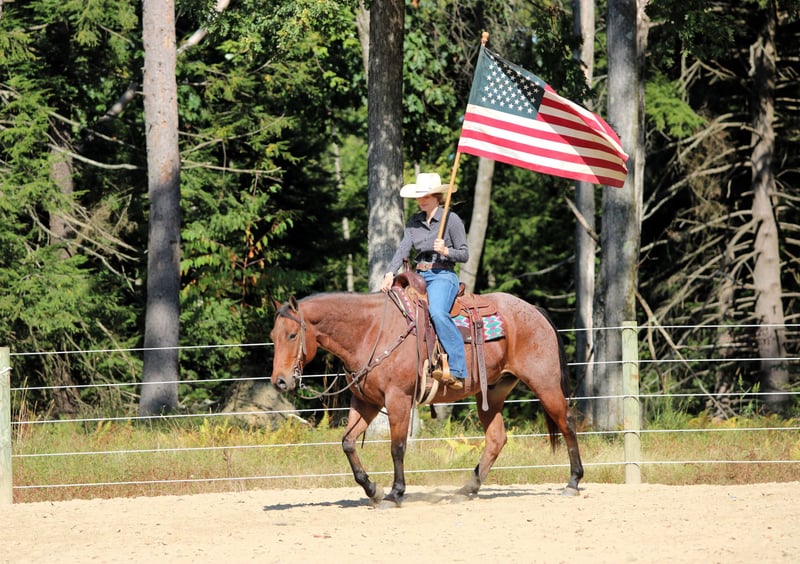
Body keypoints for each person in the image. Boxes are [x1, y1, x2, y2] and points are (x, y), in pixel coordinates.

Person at [380, 172, 469, 390]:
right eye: (419, 196)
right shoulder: (414, 221)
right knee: (397, 313)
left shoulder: (451, 219)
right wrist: (390, 272)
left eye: (426, 196)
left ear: (437, 196)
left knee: (437, 312)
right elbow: (403, 248)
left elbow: (464, 254)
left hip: (442, 275)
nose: (421, 200)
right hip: (417, 276)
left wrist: (446, 251)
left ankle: (457, 370)